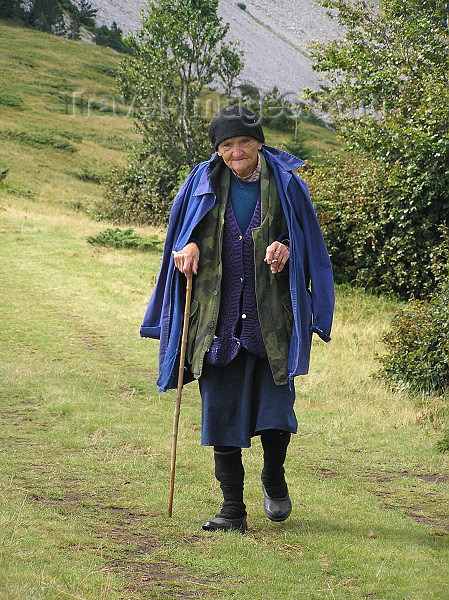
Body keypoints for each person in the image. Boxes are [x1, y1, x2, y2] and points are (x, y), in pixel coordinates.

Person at [140, 105, 334, 532]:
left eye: (244, 142)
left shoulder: (286, 185)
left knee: (275, 413)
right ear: (218, 150)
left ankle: (273, 478)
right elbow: (181, 233)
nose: (236, 152)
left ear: (259, 143)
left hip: (271, 319)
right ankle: (232, 511)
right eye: (226, 145)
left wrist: (285, 245)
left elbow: (306, 240)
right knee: (221, 414)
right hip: (216, 320)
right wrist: (186, 249)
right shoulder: (200, 182)